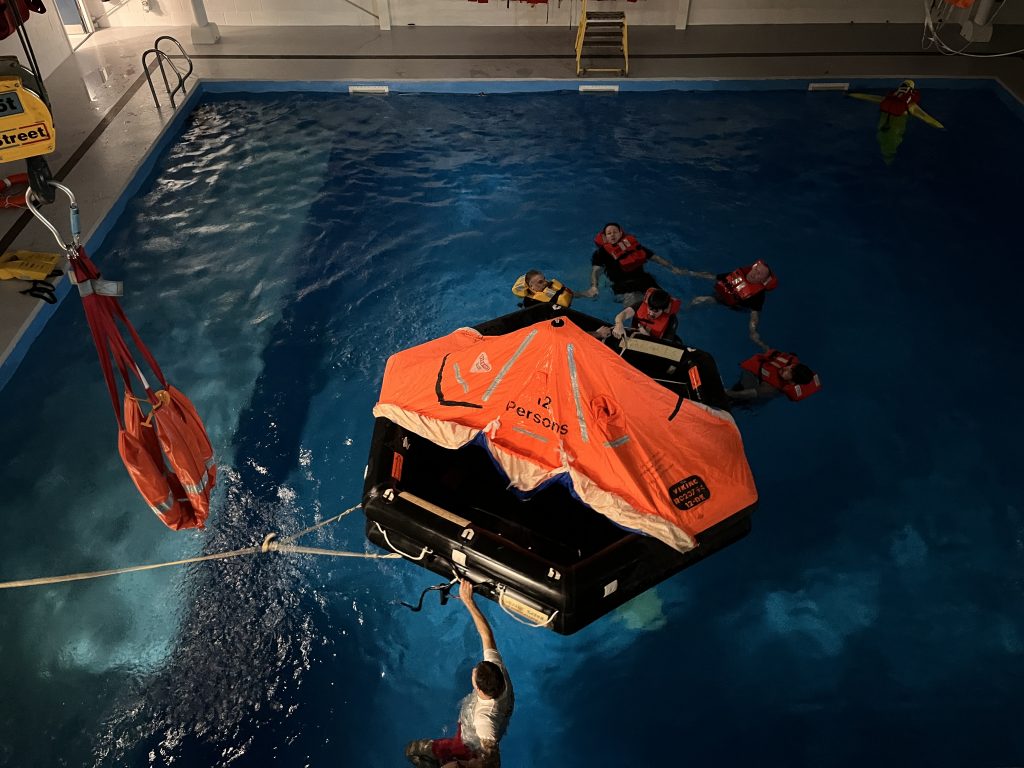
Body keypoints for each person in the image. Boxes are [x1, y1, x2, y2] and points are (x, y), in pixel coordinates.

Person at [405, 579, 514, 768]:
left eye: (474, 674)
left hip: (467, 745)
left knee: (413, 751)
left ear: (478, 688)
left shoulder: (483, 721)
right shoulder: (498, 672)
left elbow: (493, 763)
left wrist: (463, 765)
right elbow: (487, 635)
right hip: (490, 720)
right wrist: (468, 601)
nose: (473, 670)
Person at [578, 223, 679, 306]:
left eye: (615, 232)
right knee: (637, 306)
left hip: (644, 280)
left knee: (667, 303)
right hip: (624, 287)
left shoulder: (631, 246)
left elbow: (655, 258)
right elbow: (595, 271)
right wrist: (594, 286)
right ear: (605, 237)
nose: (612, 235)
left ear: (620, 233)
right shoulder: (601, 253)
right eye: (609, 233)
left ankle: (690, 305)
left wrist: (673, 268)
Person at [847, 80, 944, 165]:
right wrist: (940, 126)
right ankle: (888, 162)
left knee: (882, 138)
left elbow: (869, 97)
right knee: (893, 142)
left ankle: (885, 160)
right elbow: (925, 117)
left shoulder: (888, 98)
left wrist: (852, 95)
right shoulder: (911, 105)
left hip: (884, 120)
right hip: (897, 123)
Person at [689, 259, 777, 351]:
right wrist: (687, 273)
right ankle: (687, 310)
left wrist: (753, 332)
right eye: (755, 269)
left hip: (735, 306)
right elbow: (713, 277)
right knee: (696, 300)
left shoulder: (758, 296)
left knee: (699, 300)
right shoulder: (738, 275)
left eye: (759, 274)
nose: (754, 273)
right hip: (722, 294)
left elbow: (754, 314)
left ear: (762, 281)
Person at [727, 349, 821, 404]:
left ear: (792, 382)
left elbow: (749, 393)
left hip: (755, 390)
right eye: (790, 367)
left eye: (790, 373)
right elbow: (772, 355)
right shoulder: (789, 361)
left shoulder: (771, 388)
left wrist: (728, 393)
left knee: (736, 398)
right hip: (758, 373)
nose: (786, 368)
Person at [597, 287, 681, 343]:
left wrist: (644, 333)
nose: (651, 313)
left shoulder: (672, 321)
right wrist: (619, 324)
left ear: (664, 310)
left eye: (656, 311)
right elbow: (623, 314)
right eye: (650, 308)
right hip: (635, 336)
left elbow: (665, 346)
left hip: (652, 343)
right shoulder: (640, 305)